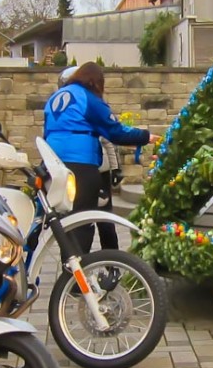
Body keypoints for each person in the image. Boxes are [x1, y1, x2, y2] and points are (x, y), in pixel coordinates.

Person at [45, 62, 157, 254]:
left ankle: (64, 267)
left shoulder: (54, 98)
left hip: (51, 163)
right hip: (80, 166)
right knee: (82, 221)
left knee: (63, 220)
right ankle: (76, 277)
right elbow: (115, 132)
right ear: (94, 81)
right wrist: (145, 136)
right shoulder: (88, 98)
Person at [58, 66, 124, 252]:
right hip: (72, 171)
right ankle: (76, 263)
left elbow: (108, 139)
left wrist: (115, 167)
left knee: (104, 220)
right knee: (74, 221)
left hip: (98, 170)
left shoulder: (90, 103)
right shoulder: (64, 108)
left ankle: (112, 265)